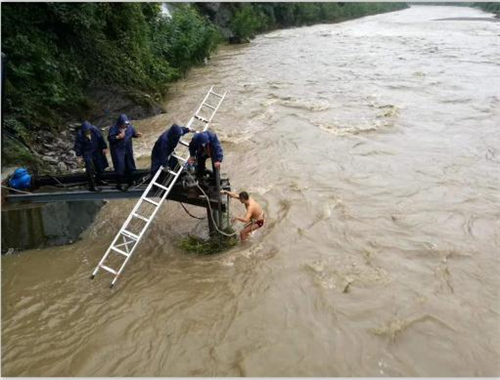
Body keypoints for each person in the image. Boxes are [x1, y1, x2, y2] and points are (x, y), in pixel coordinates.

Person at [108, 114, 142, 191]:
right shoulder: (113, 128)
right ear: (120, 123)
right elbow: (110, 138)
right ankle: (119, 184)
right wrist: (118, 137)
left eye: (126, 124)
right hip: (118, 151)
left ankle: (131, 181)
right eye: (123, 124)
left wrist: (136, 135)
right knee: (120, 166)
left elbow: (133, 134)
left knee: (130, 165)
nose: (125, 126)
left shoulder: (130, 128)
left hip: (128, 150)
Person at [74, 121, 109, 191]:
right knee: (90, 168)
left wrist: (104, 147)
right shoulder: (80, 134)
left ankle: (99, 180)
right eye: (86, 131)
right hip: (87, 151)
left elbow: (101, 139)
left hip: (96, 149)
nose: (88, 132)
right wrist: (79, 155)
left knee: (100, 165)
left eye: (89, 130)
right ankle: (92, 186)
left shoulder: (95, 130)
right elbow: (78, 146)